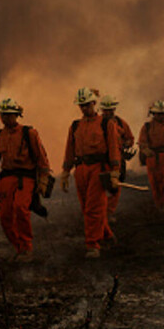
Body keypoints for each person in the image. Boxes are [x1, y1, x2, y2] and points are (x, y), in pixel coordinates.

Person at [0, 98, 51, 262]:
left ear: (16, 115)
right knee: (5, 215)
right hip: (6, 178)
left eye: (9, 114)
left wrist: (43, 179)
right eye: (3, 115)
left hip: (25, 177)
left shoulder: (29, 133)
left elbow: (41, 157)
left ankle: (26, 247)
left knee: (20, 208)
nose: (5, 118)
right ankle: (19, 247)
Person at [61, 88, 121, 259]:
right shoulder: (75, 126)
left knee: (93, 208)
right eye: (81, 105)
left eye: (87, 105)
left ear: (94, 103)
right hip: (81, 169)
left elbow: (113, 148)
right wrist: (65, 172)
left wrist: (115, 172)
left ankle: (93, 245)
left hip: (99, 168)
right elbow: (69, 149)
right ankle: (107, 235)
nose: (84, 108)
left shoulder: (106, 124)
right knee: (86, 207)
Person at [99, 95, 135, 221]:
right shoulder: (97, 123)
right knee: (99, 187)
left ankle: (108, 212)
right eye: (105, 110)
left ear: (114, 109)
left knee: (115, 186)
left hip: (118, 159)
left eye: (110, 110)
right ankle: (99, 212)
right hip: (102, 160)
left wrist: (126, 145)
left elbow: (130, 138)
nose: (108, 113)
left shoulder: (120, 123)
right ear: (102, 110)